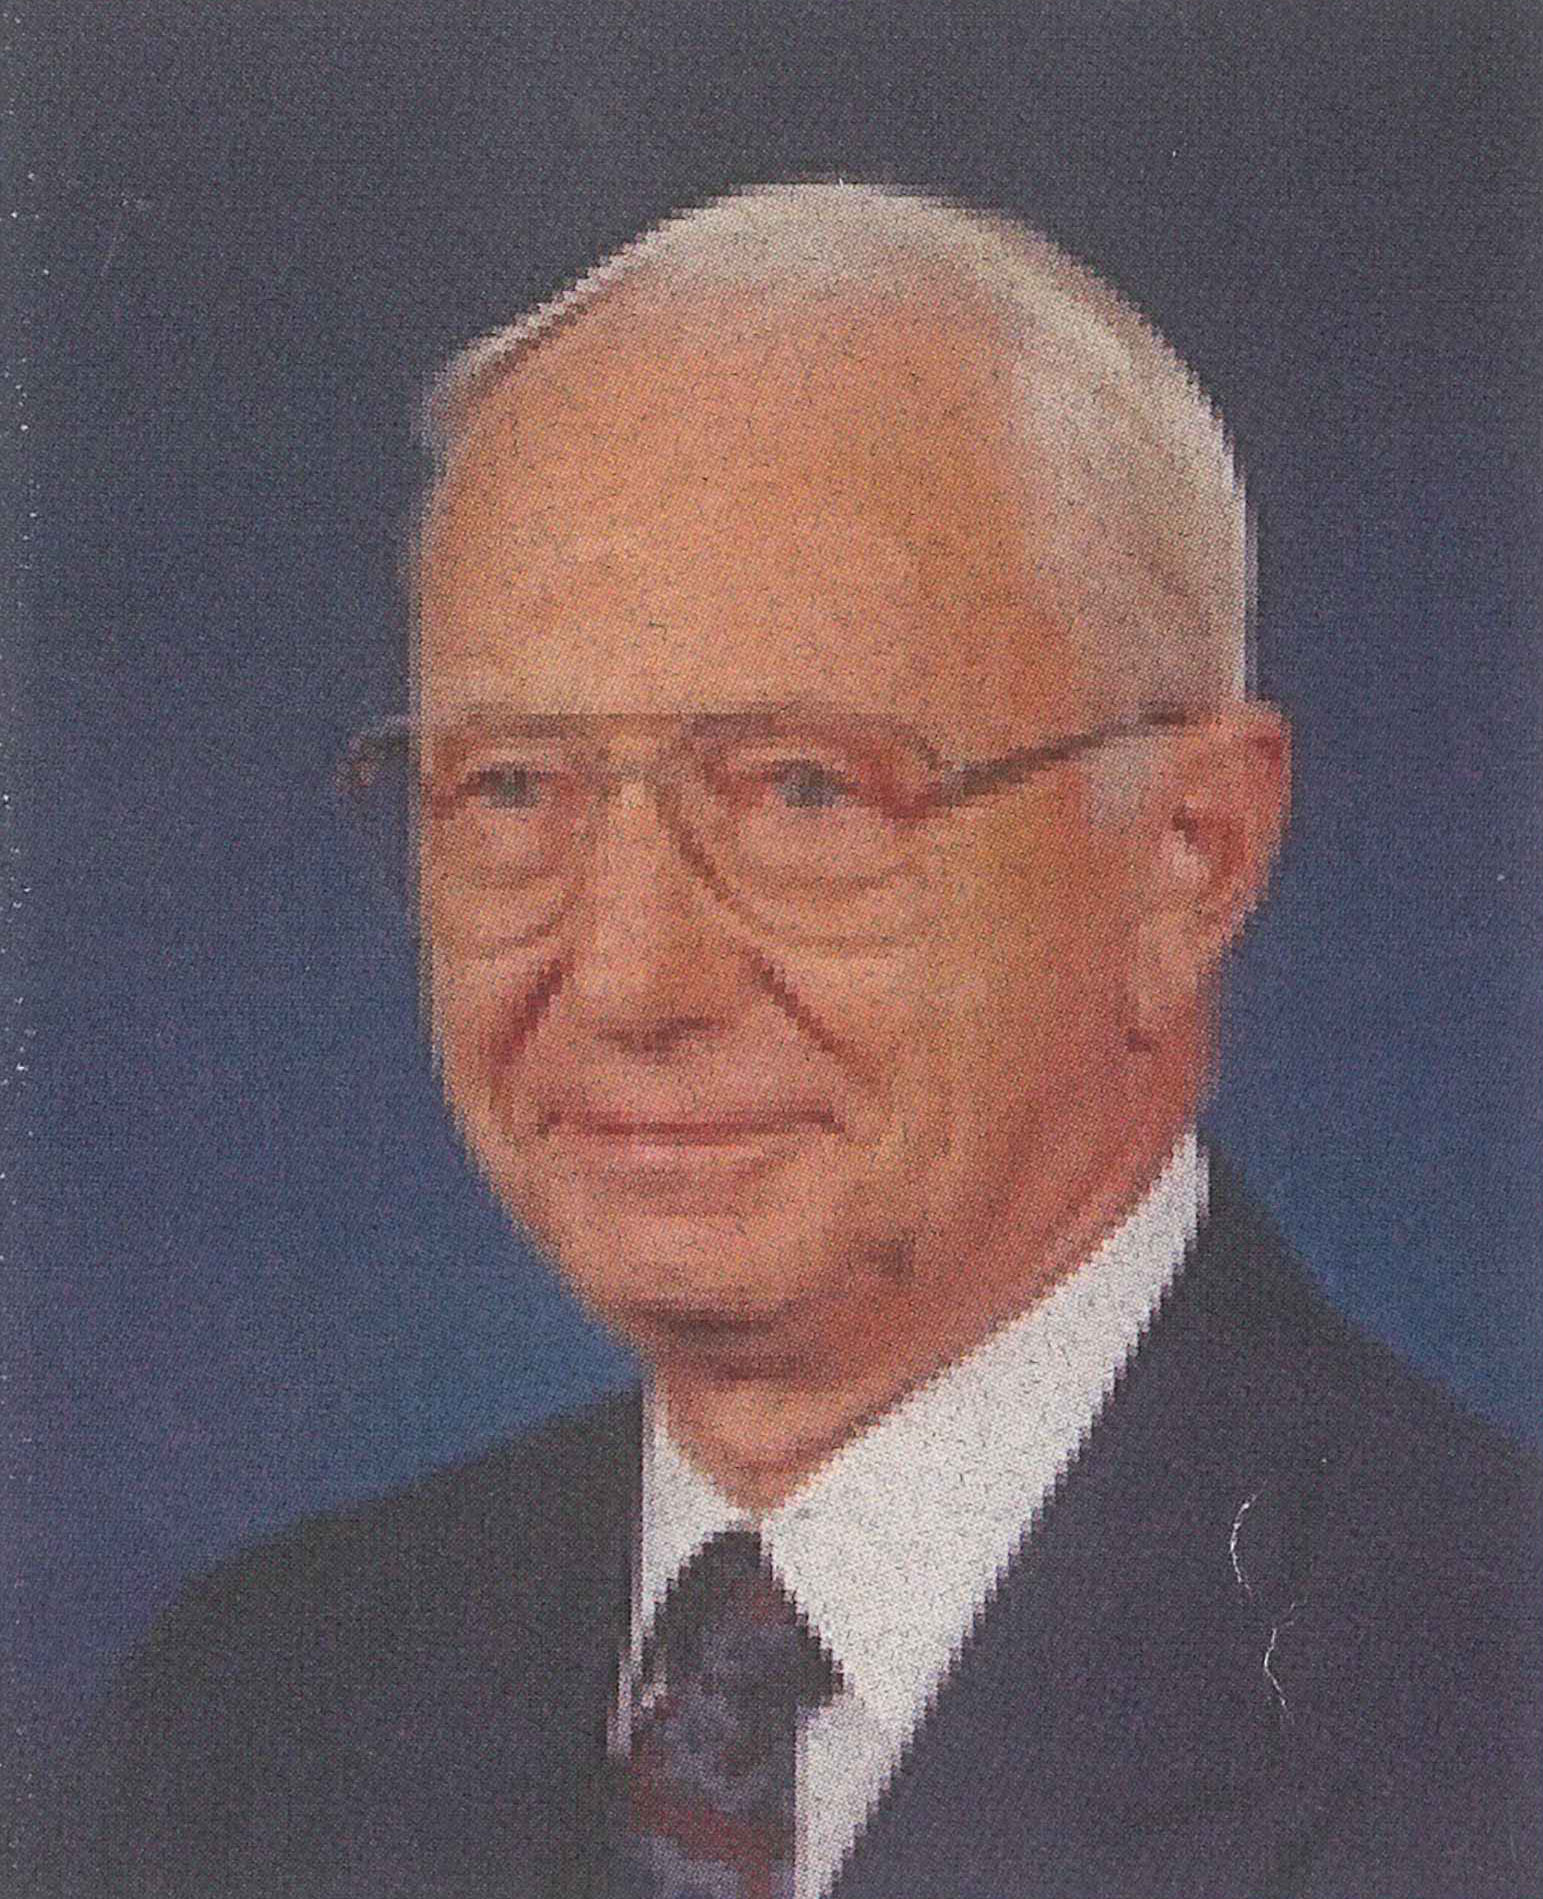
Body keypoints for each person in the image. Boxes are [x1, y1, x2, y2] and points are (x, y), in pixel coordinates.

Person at [63, 185, 1537, 1898]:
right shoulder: (248, 1720)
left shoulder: (1483, 1715)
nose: (628, 981)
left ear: (1187, 855)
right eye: (514, 787)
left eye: (805, 790)